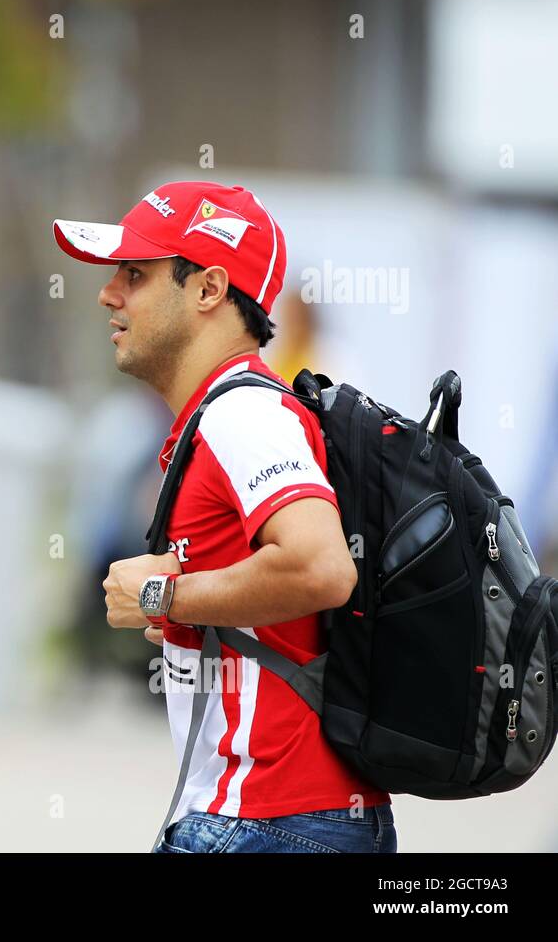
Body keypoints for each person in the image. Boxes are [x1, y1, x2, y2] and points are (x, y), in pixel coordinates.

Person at [53, 181, 395, 853]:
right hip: (272, 819)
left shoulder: (244, 415)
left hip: (266, 821)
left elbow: (322, 568)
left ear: (208, 290)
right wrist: (188, 609)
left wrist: (160, 593)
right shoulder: (220, 415)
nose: (107, 294)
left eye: (135, 275)